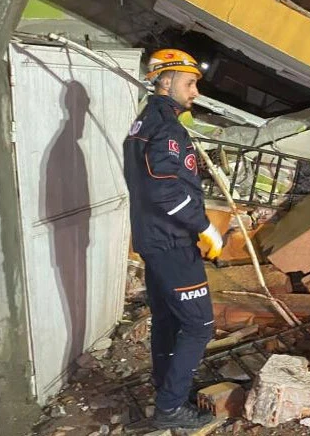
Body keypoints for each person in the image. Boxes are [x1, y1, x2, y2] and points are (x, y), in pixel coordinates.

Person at [123, 49, 223, 430]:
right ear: (164, 81)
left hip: (153, 239)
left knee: (167, 319)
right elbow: (164, 191)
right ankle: (170, 407)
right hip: (170, 242)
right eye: (190, 83)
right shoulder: (164, 127)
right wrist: (204, 226)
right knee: (199, 326)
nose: (195, 92)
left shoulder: (143, 123)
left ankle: (168, 386)